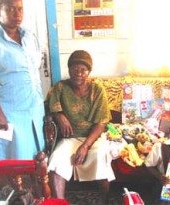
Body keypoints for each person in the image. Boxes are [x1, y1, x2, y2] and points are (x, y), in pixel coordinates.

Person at [45, 50, 115, 201]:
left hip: (93, 138)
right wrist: (59, 115)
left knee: (100, 156)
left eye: (83, 70)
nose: (78, 73)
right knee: (56, 159)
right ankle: (59, 202)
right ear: (69, 70)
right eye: (74, 69)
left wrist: (85, 146)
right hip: (70, 138)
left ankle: (104, 199)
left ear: (89, 72)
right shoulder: (60, 87)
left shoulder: (97, 89)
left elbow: (101, 122)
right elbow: (50, 106)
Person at [0, 0, 45, 160]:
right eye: (10, 9)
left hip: (34, 111)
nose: (17, 14)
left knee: (37, 155)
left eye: (20, 9)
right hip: (9, 115)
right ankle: (12, 186)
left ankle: (34, 185)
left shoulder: (29, 37)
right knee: (12, 158)